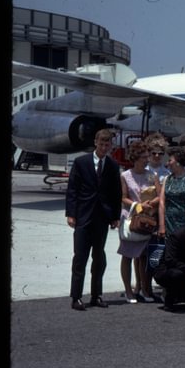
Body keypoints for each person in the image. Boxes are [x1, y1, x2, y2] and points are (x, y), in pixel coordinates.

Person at [65, 128, 122, 311]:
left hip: (101, 218)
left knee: (99, 258)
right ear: (95, 142)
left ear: (111, 145)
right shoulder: (81, 162)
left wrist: (115, 216)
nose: (104, 148)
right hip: (83, 216)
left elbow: (116, 193)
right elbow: (72, 189)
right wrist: (71, 214)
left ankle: (96, 295)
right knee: (80, 257)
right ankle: (76, 297)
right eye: (102, 144)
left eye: (107, 145)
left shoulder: (112, 165)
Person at [117, 140, 161, 304]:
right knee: (127, 255)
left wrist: (151, 203)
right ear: (135, 158)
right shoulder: (125, 175)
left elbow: (159, 194)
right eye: (143, 157)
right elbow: (123, 198)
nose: (147, 159)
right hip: (130, 218)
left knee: (143, 256)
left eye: (147, 156)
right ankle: (128, 291)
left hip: (146, 219)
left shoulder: (151, 175)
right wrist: (138, 205)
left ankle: (143, 289)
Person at [158, 146, 185, 236]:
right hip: (170, 224)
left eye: (170, 160)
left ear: (178, 162)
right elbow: (162, 202)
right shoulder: (167, 179)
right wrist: (162, 225)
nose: (167, 163)